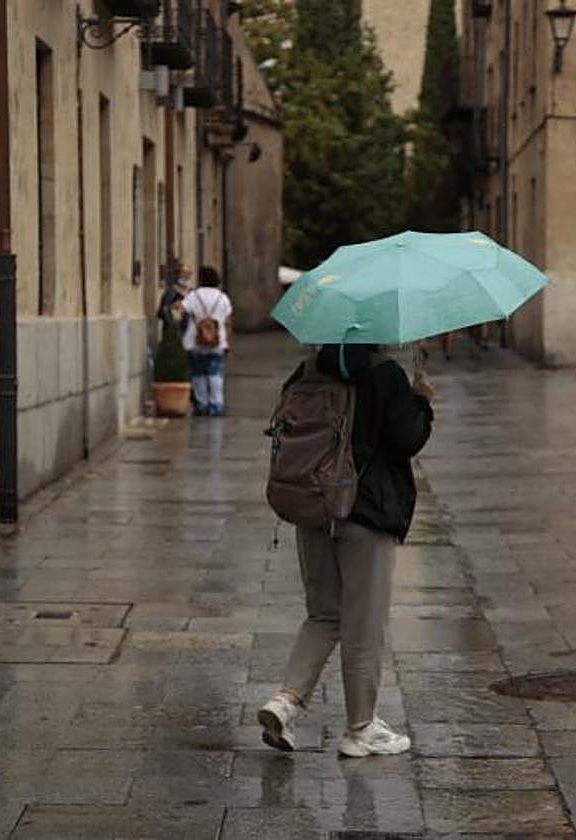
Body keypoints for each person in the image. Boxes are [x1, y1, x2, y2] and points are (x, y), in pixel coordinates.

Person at [258, 344, 435, 757]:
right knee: (364, 623)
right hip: (365, 511)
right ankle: (360, 728)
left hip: (314, 506)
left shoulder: (307, 369)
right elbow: (407, 439)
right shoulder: (384, 372)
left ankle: (285, 702)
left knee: (323, 614)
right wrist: (422, 402)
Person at [181, 266, 233, 416]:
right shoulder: (222, 297)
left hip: (194, 342)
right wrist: (227, 341)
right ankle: (216, 404)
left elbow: (181, 310)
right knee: (215, 374)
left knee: (198, 374)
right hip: (218, 342)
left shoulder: (193, 296)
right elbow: (228, 320)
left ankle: (202, 404)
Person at [156, 264, 192, 339]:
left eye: (188, 274)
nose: (186, 276)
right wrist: (174, 311)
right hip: (174, 331)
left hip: (189, 332)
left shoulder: (192, 293)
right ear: (178, 275)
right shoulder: (171, 292)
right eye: (184, 273)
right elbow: (162, 312)